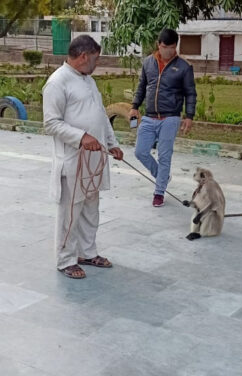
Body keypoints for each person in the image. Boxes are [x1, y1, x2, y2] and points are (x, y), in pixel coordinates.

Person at [43, 35, 124, 279]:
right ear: (83, 56)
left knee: (91, 208)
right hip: (72, 160)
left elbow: (100, 115)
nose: (97, 63)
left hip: (94, 160)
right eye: (96, 58)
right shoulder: (57, 82)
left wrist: (112, 143)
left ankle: (87, 253)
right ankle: (65, 260)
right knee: (70, 213)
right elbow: (51, 123)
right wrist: (81, 137)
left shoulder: (88, 80)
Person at [129, 28, 197, 207]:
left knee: (164, 156)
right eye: (165, 47)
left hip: (170, 117)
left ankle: (159, 192)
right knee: (140, 152)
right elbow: (142, 87)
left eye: (172, 47)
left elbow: (190, 93)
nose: (169, 51)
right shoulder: (148, 63)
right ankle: (162, 176)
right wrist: (134, 107)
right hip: (149, 117)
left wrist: (189, 116)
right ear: (159, 45)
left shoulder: (184, 66)